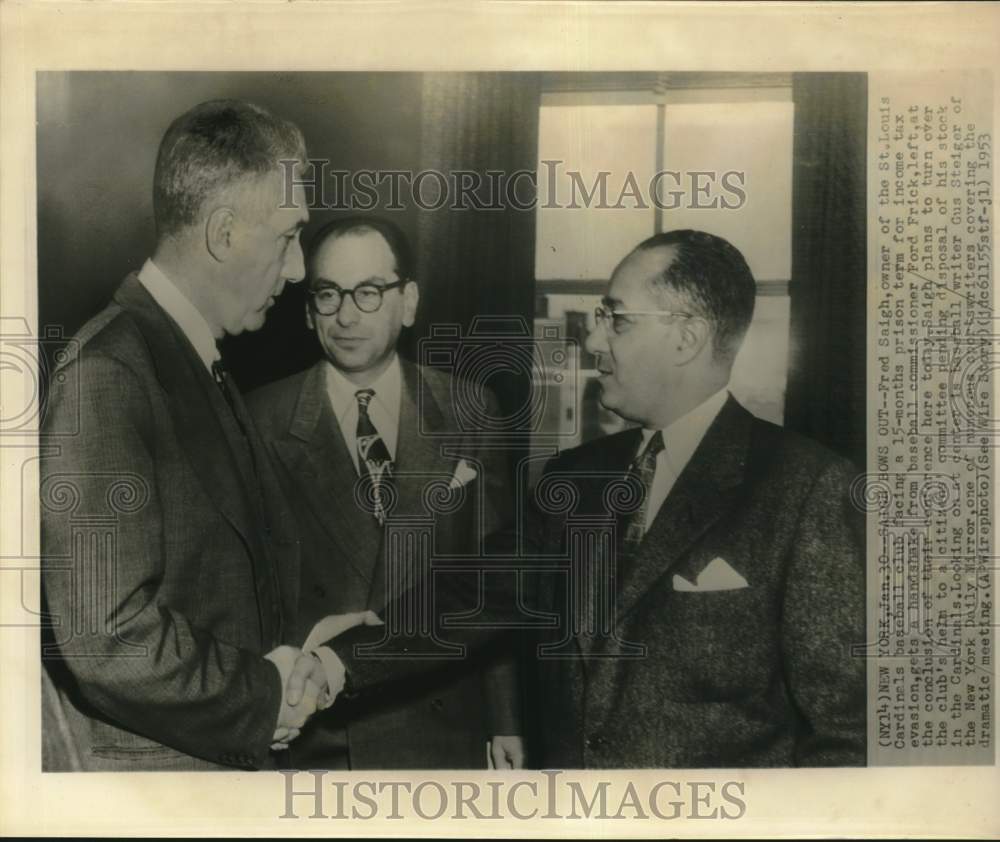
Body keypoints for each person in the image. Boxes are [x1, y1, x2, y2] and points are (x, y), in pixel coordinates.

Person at [316, 229, 867, 768]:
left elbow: (843, 736)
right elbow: (474, 595)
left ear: (687, 337)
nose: (594, 340)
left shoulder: (808, 490)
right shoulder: (575, 478)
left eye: (616, 319)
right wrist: (335, 665)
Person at [40, 99, 338, 771]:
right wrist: (263, 696)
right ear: (225, 234)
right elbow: (108, 639)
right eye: (288, 236)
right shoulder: (108, 371)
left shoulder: (193, 358)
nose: (298, 272)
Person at [247, 217, 524, 770]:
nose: (347, 315)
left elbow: (492, 581)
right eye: (328, 294)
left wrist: (505, 721)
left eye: (369, 293)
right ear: (307, 309)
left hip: (441, 722)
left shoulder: (471, 409)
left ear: (409, 301)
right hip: (316, 730)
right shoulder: (259, 417)